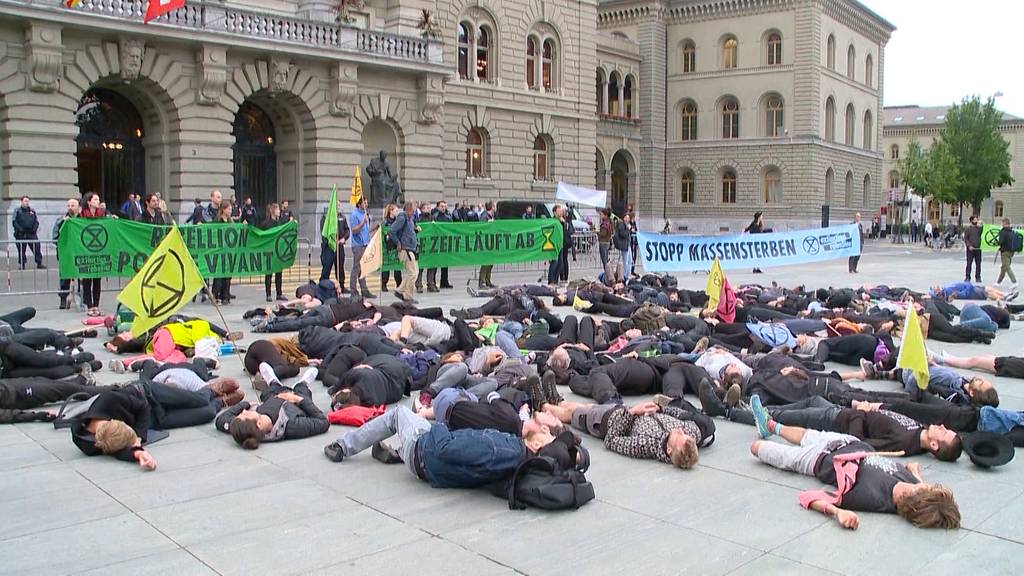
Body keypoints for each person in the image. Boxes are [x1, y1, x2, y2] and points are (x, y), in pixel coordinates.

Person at [748, 413, 960, 529]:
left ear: (917, 495)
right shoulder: (911, 485)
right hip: (847, 443)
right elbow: (912, 472)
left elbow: (811, 497)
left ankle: (758, 434)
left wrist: (838, 512)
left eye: (928, 488)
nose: (926, 485)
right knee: (805, 434)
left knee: (757, 448)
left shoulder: (871, 498)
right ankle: (771, 426)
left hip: (819, 460)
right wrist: (917, 475)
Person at [322, 405, 570, 491]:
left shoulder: (501, 447)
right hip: (435, 465)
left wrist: (439, 425)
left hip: (424, 454)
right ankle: (393, 451)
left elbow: (444, 448)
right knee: (413, 421)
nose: (547, 431)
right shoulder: (516, 459)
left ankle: (343, 446)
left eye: (549, 434)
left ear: (536, 445)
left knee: (397, 415)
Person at [745, 396, 962, 461]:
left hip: (835, 421)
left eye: (944, 432)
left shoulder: (904, 443)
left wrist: (862, 411)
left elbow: (858, 443)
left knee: (780, 416)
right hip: (840, 411)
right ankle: (751, 409)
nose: (942, 426)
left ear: (935, 445)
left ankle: (740, 413)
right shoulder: (919, 429)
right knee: (810, 400)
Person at [216, 363, 328, 449]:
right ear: (259, 424)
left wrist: (245, 404)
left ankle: (273, 381)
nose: (243, 412)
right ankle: (303, 382)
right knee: (302, 389)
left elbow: (221, 420)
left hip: (273, 397)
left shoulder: (241, 429)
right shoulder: (291, 427)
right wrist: (298, 400)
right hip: (295, 400)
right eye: (244, 415)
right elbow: (322, 422)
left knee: (267, 393)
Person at [79, 192, 108, 316]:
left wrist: (113, 219)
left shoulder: (102, 214)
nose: (98, 201)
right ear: (89, 202)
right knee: (87, 280)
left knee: (97, 280)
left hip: (98, 252)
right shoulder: (82, 215)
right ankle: (89, 305)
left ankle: (96, 305)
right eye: (95, 199)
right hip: (86, 251)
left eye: (98, 199)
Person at [319, 195, 350, 293]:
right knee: (327, 267)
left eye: (339, 206)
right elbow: (324, 232)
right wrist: (331, 241)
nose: (338, 207)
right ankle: (323, 286)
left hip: (340, 246)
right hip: (329, 247)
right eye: (337, 206)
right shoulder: (326, 218)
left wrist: (343, 239)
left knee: (340, 267)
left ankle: (341, 285)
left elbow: (347, 230)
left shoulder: (342, 217)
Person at [389, 201, 419, 303]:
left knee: (414, 272)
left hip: (410, 248)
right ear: (408, 209)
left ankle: (406, 294)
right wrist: (398, 243)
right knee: (412, 273)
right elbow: (391, 231)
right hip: (405, 249)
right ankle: (403, 292)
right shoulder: (402, 218)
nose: (414, 212)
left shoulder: (410, 219)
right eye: (413, 210)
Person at [53, 197, 80, 309]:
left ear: (77, 207)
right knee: (64, 277)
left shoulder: (82, 220)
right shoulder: (61, 220)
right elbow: (55, 237)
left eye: (72, 205)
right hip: (66, 254)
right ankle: (63, 299)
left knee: (81, 275)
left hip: (79, 252)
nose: (70, 208)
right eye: (68, 206)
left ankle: (81, 298)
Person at [348, 195, 375, 299]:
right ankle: (353, 290)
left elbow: (366, 231)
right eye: (364, 203)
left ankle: (364, 290)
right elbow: (354, 230)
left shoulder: (365, 214)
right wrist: (363, 223)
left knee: (363, 268)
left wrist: (373, 229)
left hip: (365, 244)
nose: (366, 204)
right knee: (356, 268)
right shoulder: (354, 215)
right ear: (359, 204)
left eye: (367, 203)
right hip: (358, 245)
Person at [261, 203, 288, 302]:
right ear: (273, 211)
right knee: (269, 273)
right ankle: (268, 294)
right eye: (277, 210)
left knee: (279, 273)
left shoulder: (280, 222)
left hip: (278, 251)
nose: (279, 212)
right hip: (269, 251)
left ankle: (279, 293)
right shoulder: (266, 223)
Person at [209, 201, 234, 304]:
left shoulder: (230, 221)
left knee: (227, 275)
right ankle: (216, 294)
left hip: (228, 252)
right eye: (228, 209)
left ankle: (225, 295)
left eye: (231, 209)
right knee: (219, 275)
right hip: (219, 252)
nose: (230, 211)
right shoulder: (218, 221)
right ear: (223, 209)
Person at [12, 196, 44, 270]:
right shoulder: (17, 211)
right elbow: (14, 222)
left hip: (31, 233)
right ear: (21, 201)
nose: (26, 203)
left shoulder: (32, 211)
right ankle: (22, 264)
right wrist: (20, 229)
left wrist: (34, 229)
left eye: (27, 201)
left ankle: (39, 262)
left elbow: (36, 221)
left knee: (36, 247)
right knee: (21, 250)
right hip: (21, 234)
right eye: (25, 201)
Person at [429, 200, 454, 290]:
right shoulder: (434, 217)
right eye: (442, 206)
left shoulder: (448, 217)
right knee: (435, 263)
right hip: (436, 243)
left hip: (445, 242)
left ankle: (444, 281)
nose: (443, 208)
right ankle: (433, 282)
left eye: (445, 206)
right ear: (438, 207)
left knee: (445, 263)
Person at [380, 203, 403, 291]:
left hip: (396, 246)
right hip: (387, 246)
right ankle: (384, 284)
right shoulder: (385, 222)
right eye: (396, 210)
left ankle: (399, 283)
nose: (397, 212)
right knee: (386, 267)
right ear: (391, 211)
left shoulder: (398, 221)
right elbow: (383, 232)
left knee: (397, 267)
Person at [477, 201, 496, 289]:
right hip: (485, 242)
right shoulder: (484, 216)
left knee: (490, 263)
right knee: (485, 263)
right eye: (494, 206)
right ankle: (482, 282)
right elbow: (481, 228)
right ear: (492, 207)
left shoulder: (491, 216)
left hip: (491, 242)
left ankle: (488, 280)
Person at [997, 218, 1017, 286]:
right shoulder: (1012, 231)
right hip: (1011, 252)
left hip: (1005, 251)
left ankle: (1014, 282)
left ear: (1005, 223)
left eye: (1002, 223)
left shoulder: (1003, 232)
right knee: (1004, 267)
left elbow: (1000, 242)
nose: (1001, 224)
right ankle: (998, 282)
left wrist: (997, 242)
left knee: (1007, 267)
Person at [614, 212, 633, 280]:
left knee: (630, 260)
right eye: (626, 217)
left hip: (628, 245)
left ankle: (628, 274)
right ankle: (625, 275)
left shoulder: (627, 225)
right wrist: (628, 230)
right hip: (624, 245)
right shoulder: (621, 224)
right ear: (624, 218)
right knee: (625, 261)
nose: (628, 219)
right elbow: (622, 234)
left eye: (628, 218)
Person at [963, 215, 982, 282]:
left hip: (977, 248)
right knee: (969, 263)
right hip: (970, 249)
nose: (976, 221)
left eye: (976, 220)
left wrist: (981, 224)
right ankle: (967, 277)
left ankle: (978, 277)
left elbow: (982, 231)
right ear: (971, 221)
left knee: (978, 264)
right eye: (975, 220)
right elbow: (966, 238)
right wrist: (969, 246)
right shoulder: (968, 229)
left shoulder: (978, 228)